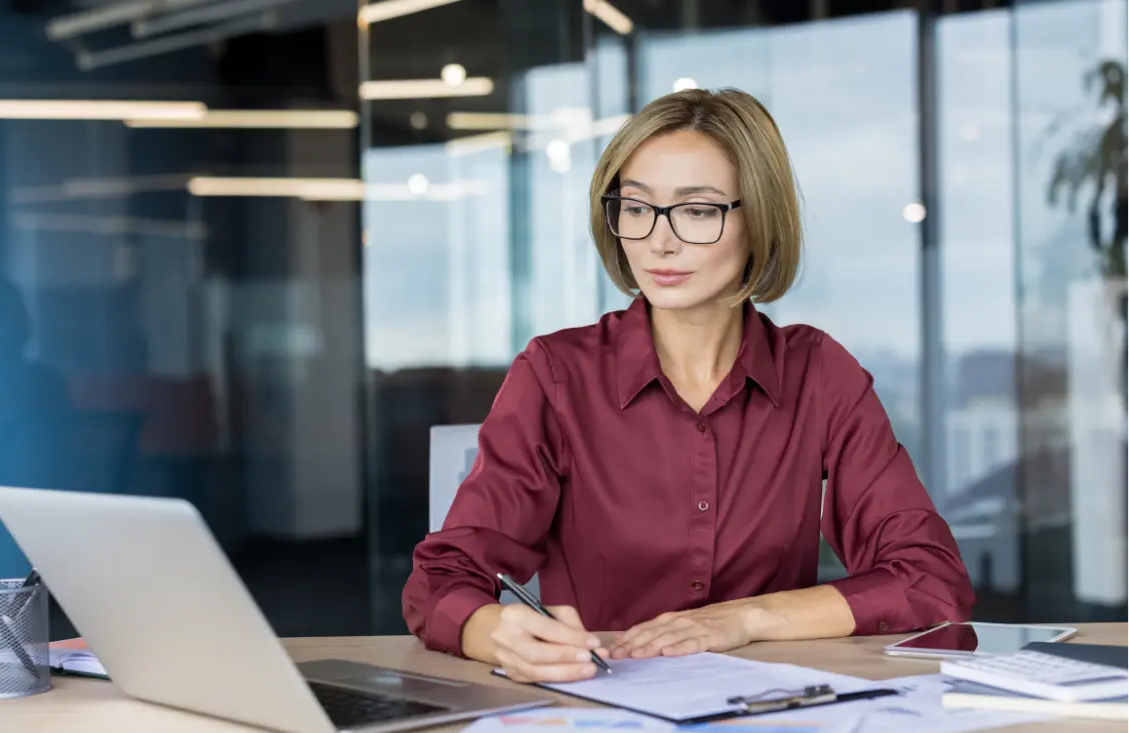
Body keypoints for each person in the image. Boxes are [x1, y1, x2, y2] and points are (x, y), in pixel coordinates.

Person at [402, 88, 975, 684]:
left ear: (761, 217)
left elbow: (930, 581)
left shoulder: (819, 374)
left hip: (774, 719)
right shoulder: (555, 374)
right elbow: (441, 581)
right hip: (600, 718)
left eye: (698, 210)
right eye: (636, 206)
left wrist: (746, 618)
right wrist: (498, 634)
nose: (660, 240)